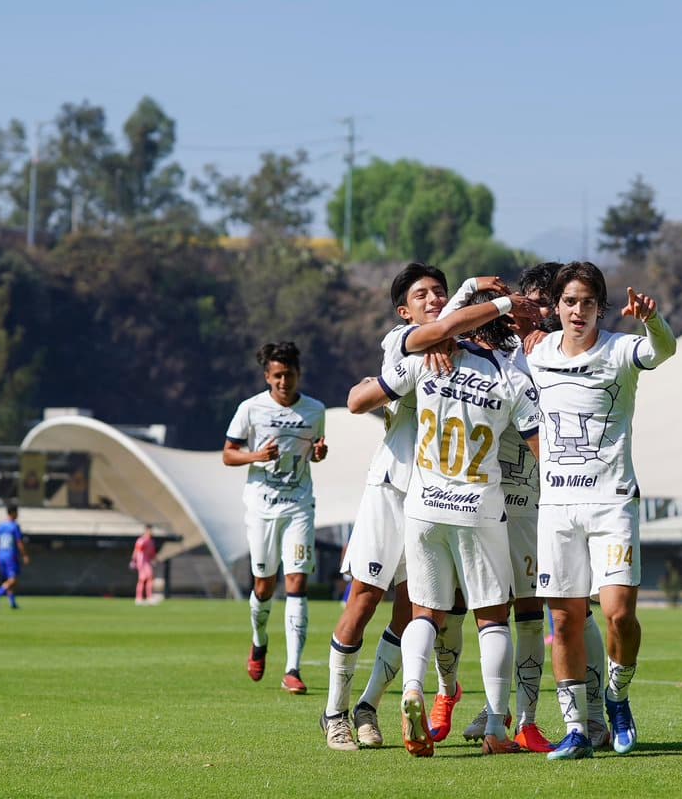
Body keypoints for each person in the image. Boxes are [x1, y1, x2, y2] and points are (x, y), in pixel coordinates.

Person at [320, 264, 538, 751]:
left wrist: (468, 306)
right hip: (393, 488)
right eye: (423, 295)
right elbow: (358, 398)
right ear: (403, 311)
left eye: (442, 292)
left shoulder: (451, 350)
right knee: (364, 600)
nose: (434, 300)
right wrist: (490, 299)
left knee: (417, 612)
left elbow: (450, 325)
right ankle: (334, 711)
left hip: (431, 498)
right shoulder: (408, 341)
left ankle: (369, 706)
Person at [526, 261, 677, 760]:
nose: (577, 311)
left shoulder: (619, 349)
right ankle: (574, 728)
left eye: (587, 302)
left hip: (612, 504)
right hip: (558, 508)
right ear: (557, 306)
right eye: (569, 301)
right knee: (565, 621)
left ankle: (617, 695)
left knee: (619, 615)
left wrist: (652, 321)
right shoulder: (538, 352)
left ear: (600, 307)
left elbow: (663, 349)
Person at [448, 262, 561, 753]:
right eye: (523, 300)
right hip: (484, 502)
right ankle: (474, 703)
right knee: (469, 609)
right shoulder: (494, 352)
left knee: (540, 611)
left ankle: (530, 719)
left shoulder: (560, 353)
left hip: (537, 503)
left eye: (536, 302)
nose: (525, 310)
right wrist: (471, 290)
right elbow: (436, 331)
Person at [224, 341, 327, 695]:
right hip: (261, 506)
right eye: (278, 375)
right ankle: (259, 640)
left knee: (296, 582)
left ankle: (293, 669)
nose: (284, 381)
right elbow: (228, 455)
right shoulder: (250, 409)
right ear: (267, 376)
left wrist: (318, 454)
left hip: (298, 504)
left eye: (290, 374)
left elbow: (312, 454)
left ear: (299, 374)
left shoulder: (315, 410)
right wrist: (256, 455)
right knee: (264, 584)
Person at [0, 505, 28, 609]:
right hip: (10, 556)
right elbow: (19, 542)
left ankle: (12, 603)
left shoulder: (0, 526)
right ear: (13, 513)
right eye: (17, 513)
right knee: (13, 580)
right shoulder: (14, 526)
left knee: (8, 581)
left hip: (1, 555)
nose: (18, 515)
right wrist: (24, 555)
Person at [130, 525, 159, 605]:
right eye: (149, 530)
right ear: (146, 531)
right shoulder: (142, 540)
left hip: (147, 562)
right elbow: (137, 551)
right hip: (142, 562)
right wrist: (134, 560)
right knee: (142, 579)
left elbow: (152, 553)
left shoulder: (151, 541)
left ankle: (148, 597)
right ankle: (139, 598)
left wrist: (155, 560)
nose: (151, 532)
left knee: (149, 578)